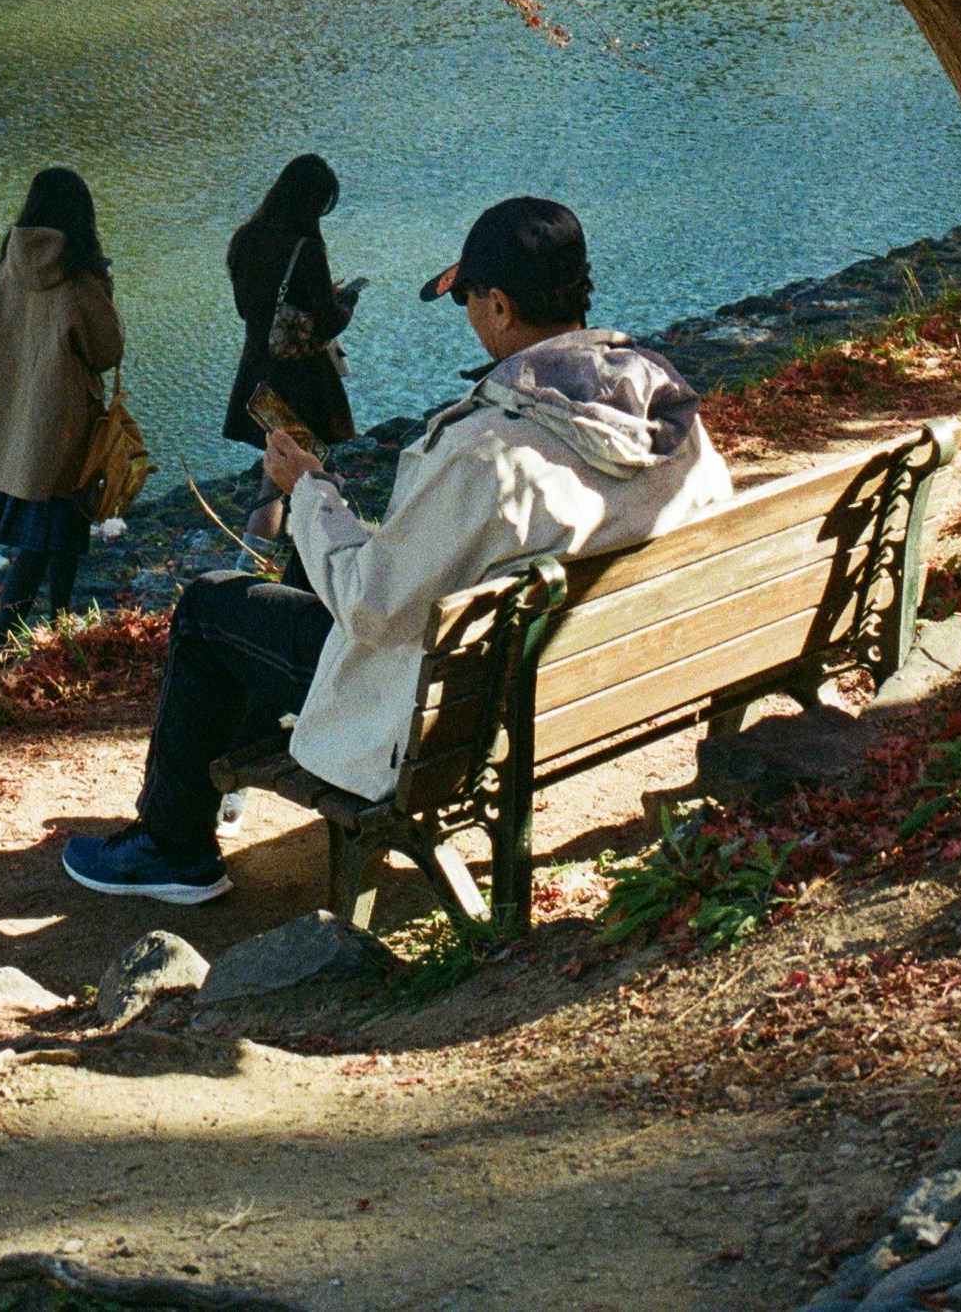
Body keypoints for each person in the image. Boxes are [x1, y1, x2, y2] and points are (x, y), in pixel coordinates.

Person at [61, 195, 733, 904]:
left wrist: (309, 491)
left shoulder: (488, 451)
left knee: (210, 607)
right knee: (304, 580)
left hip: (442, 720)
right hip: (606, 672)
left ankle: (173, 847)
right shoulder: (661, 402)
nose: (471, 318)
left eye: (468, 300)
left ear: (500, 307)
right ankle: (221, 777)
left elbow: (371, 609)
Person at [0, 165, 125, 633]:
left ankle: (58, 627)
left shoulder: (9, 265)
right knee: (44, 541)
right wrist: (105, 287)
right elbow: (107, 351)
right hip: (62, 423)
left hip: (18, 424)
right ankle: (5, 641)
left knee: (57, 533)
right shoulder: (77, 277)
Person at [221, 154, 360, 545]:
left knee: (279, 457)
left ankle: (283, 543)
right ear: (311, 202)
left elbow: (244, 309)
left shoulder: (244, 239)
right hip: (301, 374)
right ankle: (256, 553)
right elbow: (328, 321)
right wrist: (346, 302)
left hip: (257, 366)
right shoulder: (306, 249)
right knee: (287, 467)